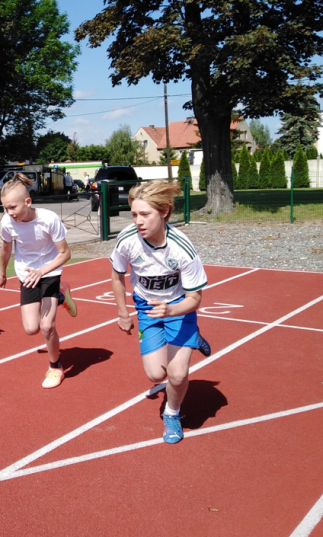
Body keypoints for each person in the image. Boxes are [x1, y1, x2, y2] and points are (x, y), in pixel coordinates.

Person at [110, 180, 212, 445]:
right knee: (156, 375)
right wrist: (123, 313)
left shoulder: (182, 248)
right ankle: (192, 339)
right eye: (134, 214)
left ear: (164, 211)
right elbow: (117, 276)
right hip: (147, 309)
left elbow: (195, 298)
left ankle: (172, 414)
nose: (138, 221)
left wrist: (172, 310)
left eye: (145, 214)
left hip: (178, 307)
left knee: (177, 374)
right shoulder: (127, 240)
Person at [0, 173, 77, 389]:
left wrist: (42, 271)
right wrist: (2, 271)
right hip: (27, 274)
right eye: (5, 207)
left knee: (47, 326)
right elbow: (6, 247)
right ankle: (61, 295)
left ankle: (55, 366)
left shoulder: (49, 219)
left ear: (28, 202)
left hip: (49, 271)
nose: (9, 212)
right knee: (31, 328)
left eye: (13, 207)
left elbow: (65, 253)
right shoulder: (7, 222)